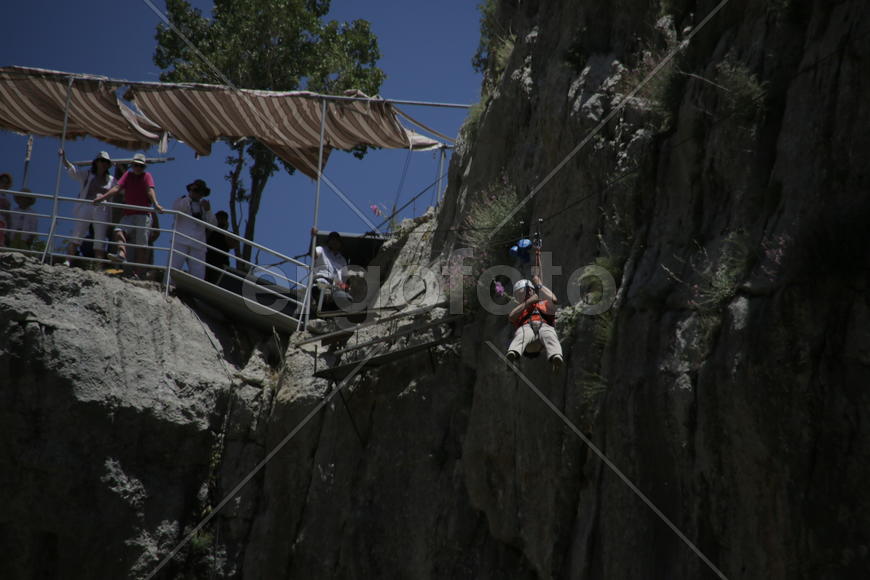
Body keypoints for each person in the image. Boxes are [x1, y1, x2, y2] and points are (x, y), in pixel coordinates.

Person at [93, 153, 164, 270]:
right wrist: (102, 198)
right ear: (132, 165)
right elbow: (117, 188)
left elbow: (150, 190)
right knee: (118, 231)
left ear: (144, 167)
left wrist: (155, 203)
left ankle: (138, 273)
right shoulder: (128, 175)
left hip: (143, 214)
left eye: (141, 166)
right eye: (136, 165)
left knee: (141, 246)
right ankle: (122, 254)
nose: (138, 168)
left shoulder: (147, 176)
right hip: (129, 213)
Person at [62, 150, 115, 261]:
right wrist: (64, 158)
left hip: (102, 208)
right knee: (78, 233)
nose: (103, 163)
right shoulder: (87, 174)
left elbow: (122, 187)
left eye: (105, 161)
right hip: (87, 205)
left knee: (100, 238)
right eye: (101, 160)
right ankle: (68, 260)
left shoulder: (112, 180)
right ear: (96, 162)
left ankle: (98, 267)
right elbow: (73, 172)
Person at [507, 275, 564, 372]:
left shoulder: (544, 303)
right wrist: (529, 301)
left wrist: (539, 285)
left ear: (532, 290)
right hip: (528, 336)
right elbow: (511, 316)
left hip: (543, 329)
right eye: (520, 294)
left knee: (549, 334)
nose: (527, 293)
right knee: (523, 333)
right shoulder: (520, 308)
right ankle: (513, 352)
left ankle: (556, 356)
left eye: (528, 290)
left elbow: (554, 300)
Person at [170, 179, 216, 279]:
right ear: (191, 189)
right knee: (173, 267)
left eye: (201, 191)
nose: (199, 193)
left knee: (198, 273)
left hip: (198, 243)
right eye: (196, 190)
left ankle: (196, 294)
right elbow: (175, 210)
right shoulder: (182, 200)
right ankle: (167, 287)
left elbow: (213, 226)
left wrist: (208, 210)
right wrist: (190, 197)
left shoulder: (205, 207)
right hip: (181, 240)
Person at [311, 229, 351, 310]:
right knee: (327, 295)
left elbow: (343, 278)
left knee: (348, 299)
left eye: (337, 240)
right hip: (321, 283)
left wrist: (346, 287)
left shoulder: (342, 259)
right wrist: (313, 238)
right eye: (332, 240)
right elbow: (313, 253)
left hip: (335, 287)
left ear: (340, 244)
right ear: (328, 242)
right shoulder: (322, 249)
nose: (335, 242)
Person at [205, 210, 239, 283]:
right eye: (219, 218)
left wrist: (224, 230)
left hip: (221, 261)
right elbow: (204, 239)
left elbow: (233, 244)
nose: (221, 221)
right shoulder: (209, 229)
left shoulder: (227, 234)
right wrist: (212, 226)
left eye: (223, 219)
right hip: (207, 258)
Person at [0, 172, 12, 247]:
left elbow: (8, 215)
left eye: (6, 182)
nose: (3, 184)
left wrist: (9, 231)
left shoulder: (7, 199)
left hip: (1, 222)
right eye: (2, 181)